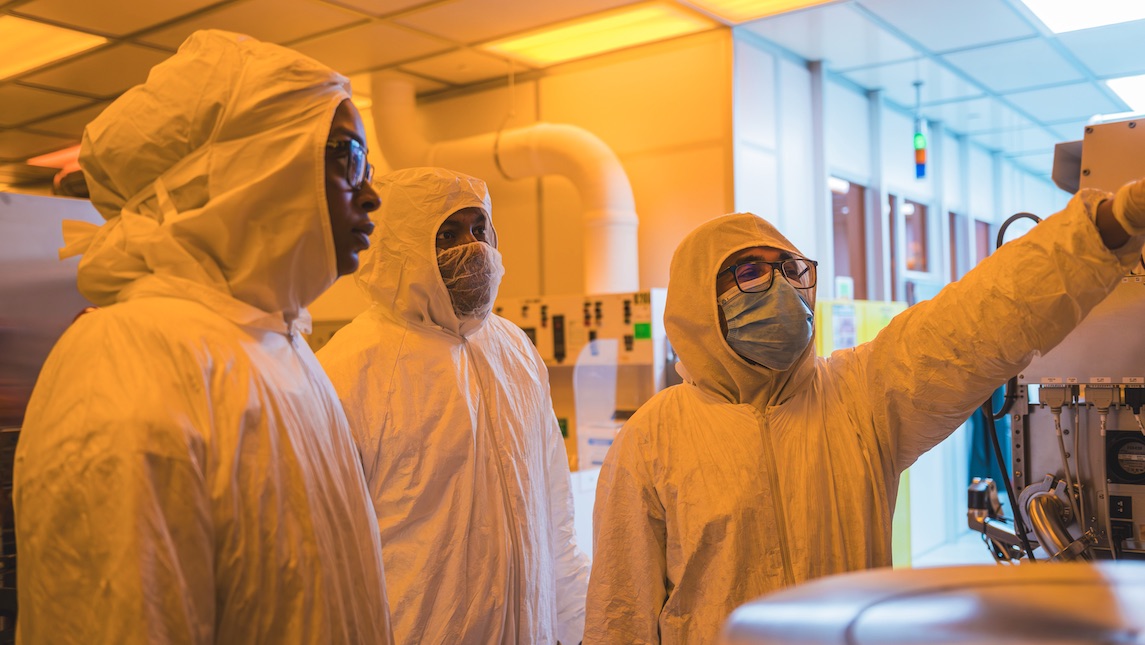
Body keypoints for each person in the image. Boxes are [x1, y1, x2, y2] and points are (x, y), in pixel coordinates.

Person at [583, 179, 1145, 644]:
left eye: (790, 270)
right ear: (697, 301)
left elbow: (979, 320)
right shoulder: (655, 437)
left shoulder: (858, 397)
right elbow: (620, 613)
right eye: (750, 273)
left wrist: (1105, 225)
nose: (780, 287)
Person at [13, 30, 393, 644]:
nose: (372, 194)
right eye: (345, 158)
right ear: (250, 169)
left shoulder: (283, 349)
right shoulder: (129, 361)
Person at [318, 166, 590, 644]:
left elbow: (555, 514)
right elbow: (325, 555)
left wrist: (576, 624)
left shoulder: (514, 351)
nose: (474, 248)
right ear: (402, 243)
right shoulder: (349, 369)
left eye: (479, 228)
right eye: (447, 234)